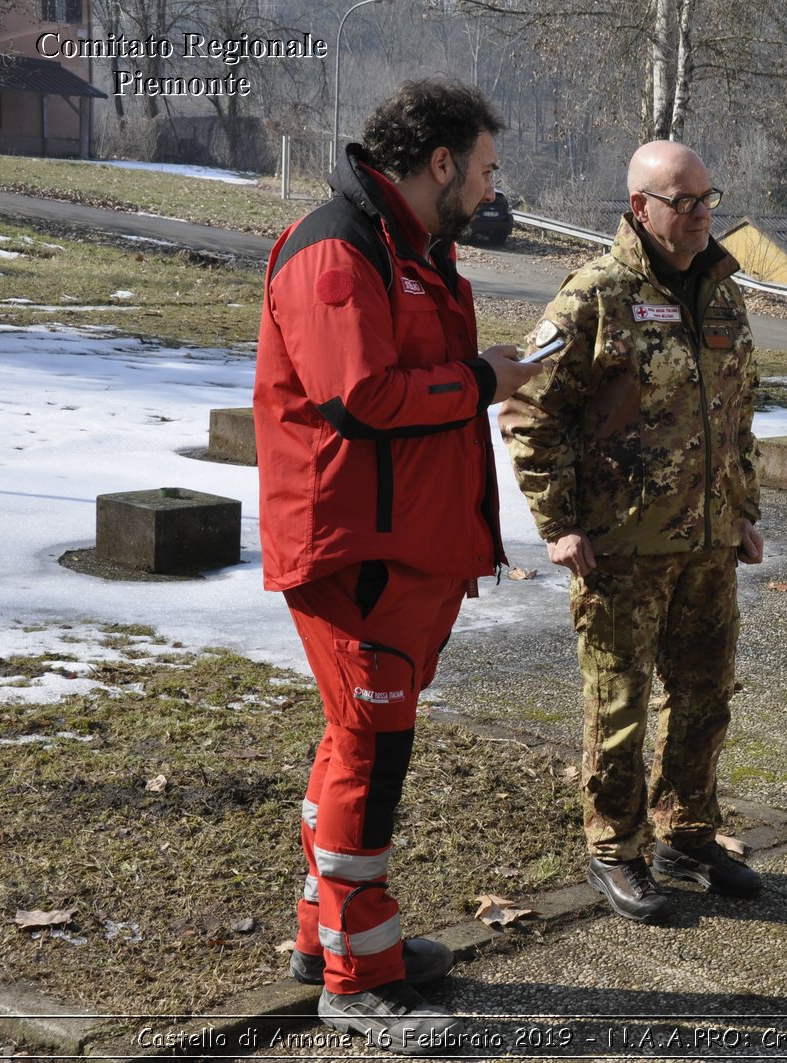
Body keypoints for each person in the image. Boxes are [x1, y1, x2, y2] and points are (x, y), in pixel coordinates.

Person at [253, 78, 542, 1049]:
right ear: (444, 162)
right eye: (489, 169)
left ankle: (322, 935)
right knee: (372, 757)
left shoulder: (415, 252)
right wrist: (481, 379)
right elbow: (361, 396)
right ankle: (356, 978)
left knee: (355, 743)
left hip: (407, 554)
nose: (497, 188)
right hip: (354, 554)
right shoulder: (337, 245)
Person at [499, 140, 763, 926]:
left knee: (706, 695)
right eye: (682, 202)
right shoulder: (594, 296)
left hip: (709, 542)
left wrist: (744, 510)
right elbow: (527, 410)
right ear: (640, 207)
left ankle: (688, 833)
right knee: (621, 702)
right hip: (621, 548)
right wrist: (560, 522)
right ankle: (614, 846)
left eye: (708, 197)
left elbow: (737, 412)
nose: (701, 213)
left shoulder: (722, 293)